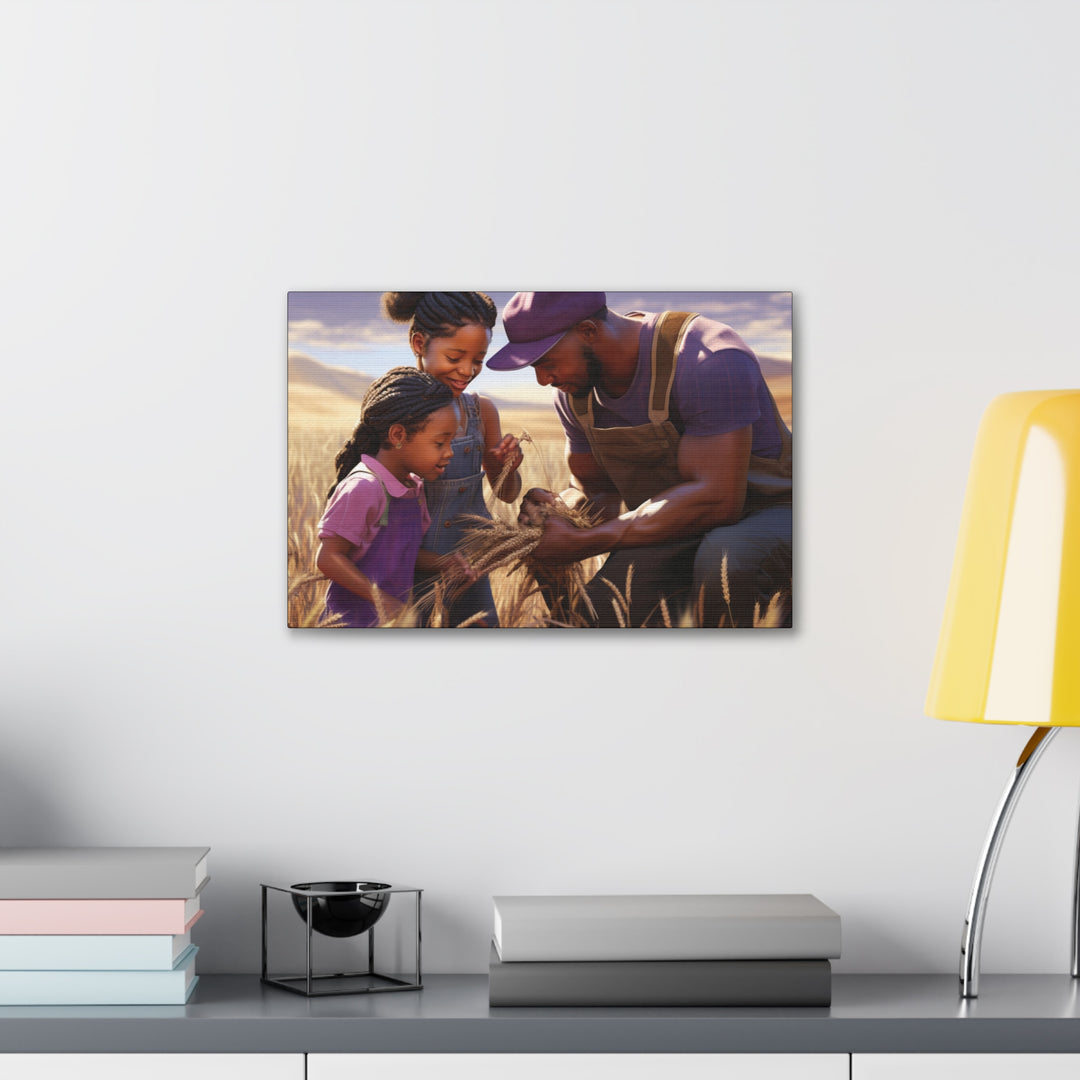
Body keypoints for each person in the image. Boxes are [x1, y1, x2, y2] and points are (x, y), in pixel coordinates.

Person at [487, 292, 792, 628]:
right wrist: (556, 513)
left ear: (588, 331)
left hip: (772, 512)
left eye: (547, 363)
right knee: (596, 615)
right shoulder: (575, 394)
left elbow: (719, 502)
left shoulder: (709, 358)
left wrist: (583, 542)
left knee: (728, 558)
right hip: (673, 525)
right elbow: (595, 492)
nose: (543, 380)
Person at [382, 292, 523, 628]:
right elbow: (379, 510)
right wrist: (437, 562)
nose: (467, 371)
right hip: (409, 565)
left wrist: (502, 466)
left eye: (477, 360)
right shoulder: (393, 410)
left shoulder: (481, 411)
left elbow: (507, 494)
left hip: (468, 566)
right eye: (455, 356)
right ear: (419, 343)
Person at [315, 368, 458, 628]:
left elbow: (402, 552)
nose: (449, 453)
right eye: (440, 443)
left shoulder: (413, 488)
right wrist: (383, 601)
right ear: (398, 436)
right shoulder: (364, 487)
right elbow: (328, 557)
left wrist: (446, 564)